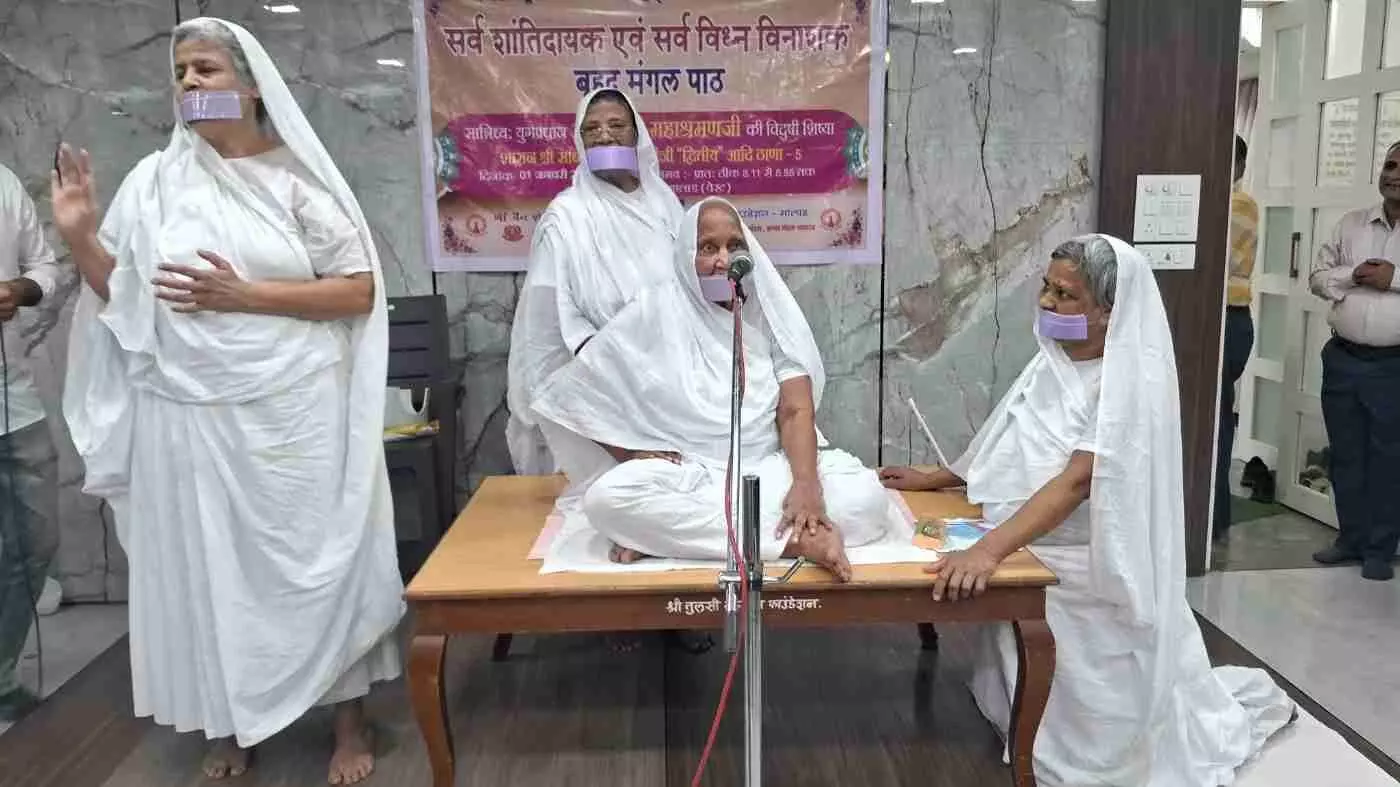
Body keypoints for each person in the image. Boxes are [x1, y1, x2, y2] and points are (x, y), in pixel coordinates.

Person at [51, 18, 402, 784]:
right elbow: (126, 301)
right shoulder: (154, 183)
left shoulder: (297, 181)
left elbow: (357, 289)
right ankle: (230, 719)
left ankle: (350, 720)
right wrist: (80, 237)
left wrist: (246, 295)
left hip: (295, 415)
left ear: (251, 86)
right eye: (180, 71)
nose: (188, 82)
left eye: (206, 68)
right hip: (187, 418)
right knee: (210, 576)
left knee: (317, 563)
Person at [881, 235, 1295, 785]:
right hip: (1027, 536)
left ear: (1108, 310)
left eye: (1065, 294)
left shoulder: (1127, 383)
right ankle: (1021, 720)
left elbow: (1077, 481)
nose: (1046, 302)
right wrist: (941, 476)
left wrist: (989, 551)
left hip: (1083, 559)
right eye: (1046, 287)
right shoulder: (1053, 361)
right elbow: (1010, 437)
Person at [529, 198, 896, 580]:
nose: (724, 259)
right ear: (686, 255)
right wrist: (632, 452)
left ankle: (671, 538)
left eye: (734, 246)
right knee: (607, 501)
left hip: (770, 469)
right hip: (690, 477)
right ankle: (795, 542)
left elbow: (795, 409)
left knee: (866, 500)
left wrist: (806, 486)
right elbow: (582, 394)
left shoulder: (769, 314)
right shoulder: (654, 311)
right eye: (708, 247)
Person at [506, 88, 683, 486]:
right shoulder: (566, 217)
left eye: (617, 125)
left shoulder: (664, 204)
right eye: (592, 129)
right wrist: (619, 422)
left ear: (637, 136)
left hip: (667, 389)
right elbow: (550, 326)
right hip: (600, 399)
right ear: (580, 141)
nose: (604, 135)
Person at [1308, 140, 1400, 581]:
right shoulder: (1351, 224)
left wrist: (1393, 278)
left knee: (1388, 458)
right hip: (1343, 358)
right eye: (1390, 165)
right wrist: (1355, 274)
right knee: (1346, 454)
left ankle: (1380, 549)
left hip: (1393, 365)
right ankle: (1350, 539)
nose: (1394, 175)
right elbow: (1318, 278)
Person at [0, 161, 64, 722]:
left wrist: (18, 289)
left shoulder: (3, 182)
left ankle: (1, 675)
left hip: (13, 401)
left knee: (35, 542)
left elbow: (45, 268)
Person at [1215, 134, 1258, 544]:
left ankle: (1212, 518)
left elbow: (1216, 257)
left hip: (1228, 320)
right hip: (1217, 319)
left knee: (1215, 421)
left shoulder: (1238, 203)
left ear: (1239, 167)